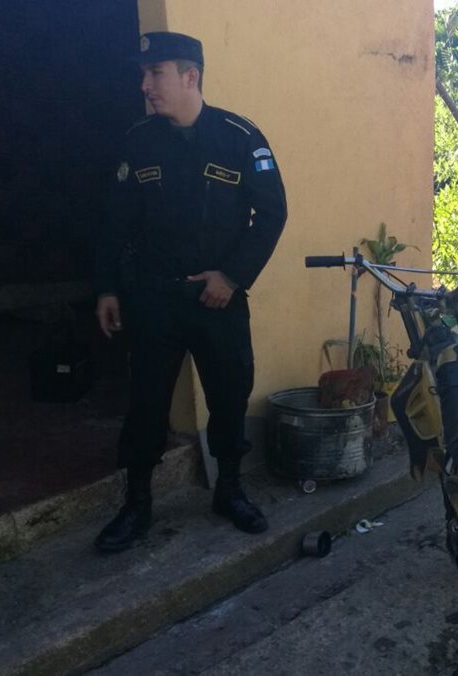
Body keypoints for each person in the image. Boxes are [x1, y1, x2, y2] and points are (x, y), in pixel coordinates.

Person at [93, 32, 288, 552]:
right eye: (144, 75)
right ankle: (137, 504)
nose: (144, 85)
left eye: (154, 74)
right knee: (146, 403)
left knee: (229, 395)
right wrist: (108, 288)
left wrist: (232, 277)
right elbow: (114, 223)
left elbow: (271, 215)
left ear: (190, 76)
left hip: (217, 301)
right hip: (153, 300)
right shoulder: (138, 141)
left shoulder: (239, 138)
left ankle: (229, 488)